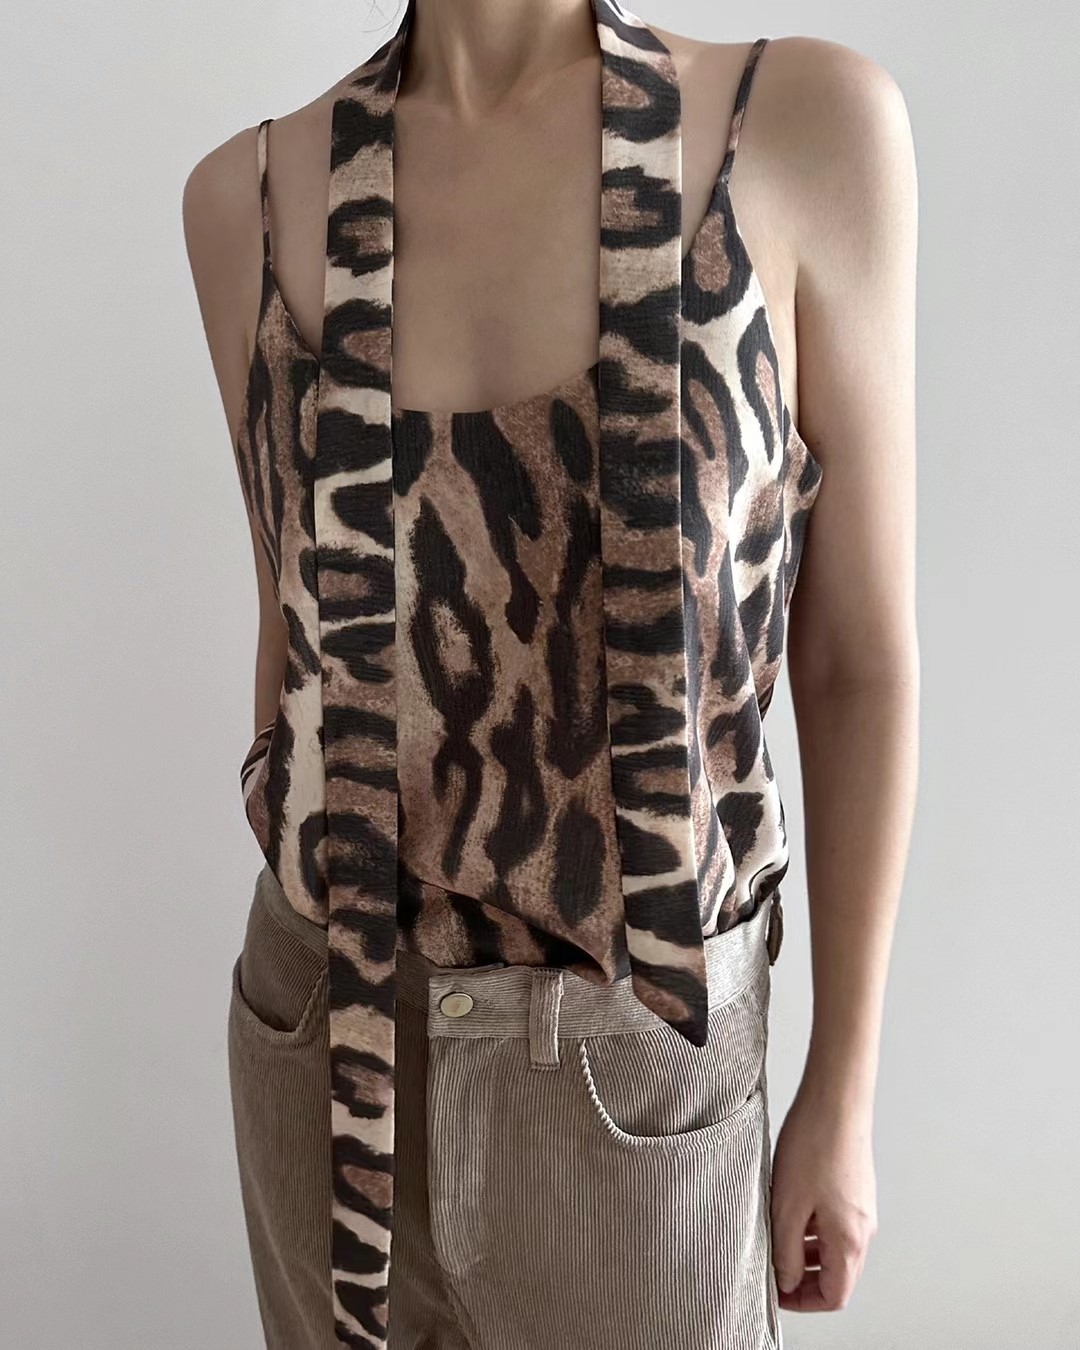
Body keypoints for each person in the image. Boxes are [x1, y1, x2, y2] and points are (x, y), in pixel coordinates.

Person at [183, 0, 918, 1345]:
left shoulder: (802, 129)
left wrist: (846, 1086)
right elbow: (294, 649)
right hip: (326, 1048)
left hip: (643, 1077)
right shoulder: (248, 199)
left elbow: (857, 658)